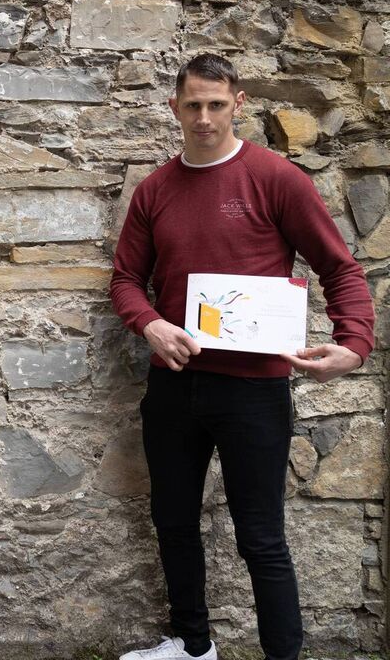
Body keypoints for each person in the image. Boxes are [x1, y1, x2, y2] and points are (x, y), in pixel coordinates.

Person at [110, 53, 375, 660]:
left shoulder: (277, 179)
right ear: (174, 107)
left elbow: (340, 268)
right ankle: (192, 647)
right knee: (174, 523)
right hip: (175, 385)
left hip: (253, 390)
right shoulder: (155, 189)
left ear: (239, 103)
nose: (204, 118)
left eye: (216, 105)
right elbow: (125, 279)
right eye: (193, 105)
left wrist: (355, 345)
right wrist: (149, 324)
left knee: (261, 538)